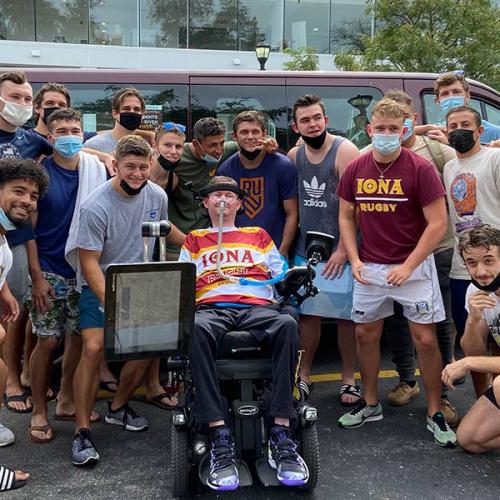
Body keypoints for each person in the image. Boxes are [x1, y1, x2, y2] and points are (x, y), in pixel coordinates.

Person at [337, 98, 457, 448]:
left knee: (425, 339)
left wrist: (409, 265)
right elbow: (346, 216)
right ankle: (371, 402)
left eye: (394, 129)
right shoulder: (357, 168)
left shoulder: (419, 168)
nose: (386, 135)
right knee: (366, 335)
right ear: (369, 129)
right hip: (370, 267)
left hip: (414, 267)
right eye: (381, 128)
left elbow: (437, 223)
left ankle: (435, 409)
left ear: (405, 130)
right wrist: (355, 260)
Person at [179, 175, 309, 491]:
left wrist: (295, 278)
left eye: (229, 194)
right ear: (206, 202)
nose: (223, 199)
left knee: (288, 324)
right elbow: (182, 283)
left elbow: (280, 276)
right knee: (193, 329)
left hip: (257, 307)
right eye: (216, 195)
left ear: (238, 203)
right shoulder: (194, 239)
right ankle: (218, 431)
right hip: (211, 308)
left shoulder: (258, 236)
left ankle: (281, 429)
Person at [72, 135, 185, 466]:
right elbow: (89, 261)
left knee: (150, 344)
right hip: (102, 283)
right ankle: (82, 431)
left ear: (150, 166)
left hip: (142, 282)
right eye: (130, 167)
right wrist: (111, 301)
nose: (137, 173)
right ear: (115, 166)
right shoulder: (96, 205)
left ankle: (118, 407)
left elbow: (161, 228)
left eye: (142, 167)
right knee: (93, 348)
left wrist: (200, 242)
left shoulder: (157, 194)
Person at [26, 109, 106, 444]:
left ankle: (66, 401)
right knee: (47, 340)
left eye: (75, 129)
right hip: (49, 268)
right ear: (50, 135)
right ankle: (39, 410)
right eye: (62, 130)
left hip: (84, 270)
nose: (70, 136)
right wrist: (36, 276)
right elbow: (27, 232)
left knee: (76, 338)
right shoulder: (39, 175)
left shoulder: (97, 170)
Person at [287, 94, 361, 405]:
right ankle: (303, 376)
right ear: (295, 126)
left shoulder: (345, 150)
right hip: (308, 248)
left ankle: (348, 380)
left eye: (317, 118)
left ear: (326, 120)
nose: (312, 124)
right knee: (308, 316)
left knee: (346, 319)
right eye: (305, 120)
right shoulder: (294, 155)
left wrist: (344, 249)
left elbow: (356, 205)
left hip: (341, 249)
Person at [0, 71, 52, 413]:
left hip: (13, 242)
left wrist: (108, 158)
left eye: (26, 99)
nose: (21, 104)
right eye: (14, 96)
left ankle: (12, 378)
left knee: (12, 316)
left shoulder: (30, 140)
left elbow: (71, 147)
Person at [0, 157, 50, 490]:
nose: (27, 201)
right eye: (19, 191)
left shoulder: (5, 232)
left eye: (33, 196)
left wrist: (4, 292)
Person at [443, 106, 500, 395]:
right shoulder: (449, 166)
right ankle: (483, 400)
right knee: (472, 338)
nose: (459, 130)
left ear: (480, 131)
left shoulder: (495, 158)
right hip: (463, 266)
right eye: (453, 125)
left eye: (466, 124)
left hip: (494, 261)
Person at [441, 225, 500, 453]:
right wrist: (474, 320)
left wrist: (465, 364)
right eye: (472, 263)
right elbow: (472, 350)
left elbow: (471, 360)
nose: (481, 271)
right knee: (470, 439)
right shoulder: (475, 292)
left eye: (488, 260)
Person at [217, 110, 298, 255]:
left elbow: (292, 213)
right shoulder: (225, 170)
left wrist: (282, 252)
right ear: (234, 136)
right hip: (238, 252)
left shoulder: (283, 166)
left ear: (264, 134)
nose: (250, 137)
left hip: (274, 250)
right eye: (244, 132)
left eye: (255, 131)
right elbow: (223, 218)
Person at [417, 71, 500, 146]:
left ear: (467, 96)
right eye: (445, 94)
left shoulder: (494, 132)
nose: (451, 97)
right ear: (438, 100)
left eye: (456, 92)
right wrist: (429, 128)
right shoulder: (436, 133)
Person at [83, 87, 145, 155]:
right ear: (114, 113)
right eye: (126, 109)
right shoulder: (93, 145)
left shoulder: (147, 147)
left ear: (142, 114)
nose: (132, 112)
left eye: (136, 109)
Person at [149, 121, 184, 197]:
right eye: (167, 145)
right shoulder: (139, 172)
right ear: (155, 145)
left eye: (178, 147)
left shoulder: (173, 180)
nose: (174, 152)